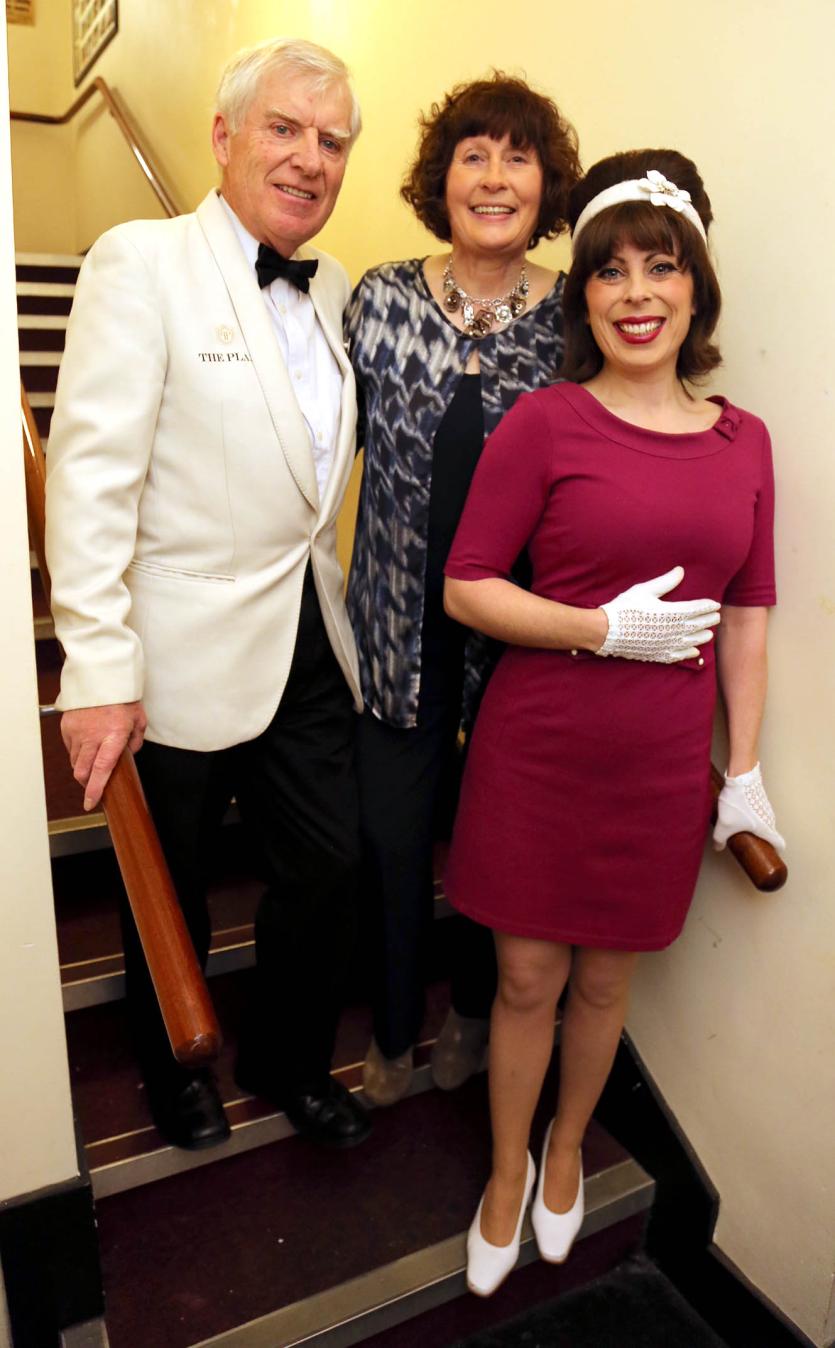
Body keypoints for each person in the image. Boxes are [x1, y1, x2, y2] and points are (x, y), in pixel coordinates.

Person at [442, 149, 785, 1295]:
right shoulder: (546, 421)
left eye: (662, 268)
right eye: (611, 273)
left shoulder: (747, 443)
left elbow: (746, 613)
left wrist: (740, 772)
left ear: (696, 290)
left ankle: (564, 1150)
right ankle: (502, 1170)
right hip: (539, 752)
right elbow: (467, 584)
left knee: (603, 985)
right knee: (529, 977)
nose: (637, 293)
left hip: (652, 769)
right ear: (584, 295)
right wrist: (599, 630)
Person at [45, 38, 372, 1152]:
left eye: (331, 142)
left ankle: (287, 1058)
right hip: (177, 638)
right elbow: (89, 476)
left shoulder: (334, 288)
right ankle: (171, 1071)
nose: (309, 159)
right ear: (225, 138)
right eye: (284, 129)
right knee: (169, 881)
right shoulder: (142, 261)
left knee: (328, 863)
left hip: (306, 633)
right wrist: (95, 666)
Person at [344, 74, 582, 1107]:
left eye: (516, 156)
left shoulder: (576, 320)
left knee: (496, 854)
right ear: (440, 180)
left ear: (546, 183)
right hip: (393, 629)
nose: (492, 177)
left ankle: (479, 1019)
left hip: (516, 647)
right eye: (471, 155)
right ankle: (394, 1031)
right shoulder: (379, 298)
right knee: (393, 842)